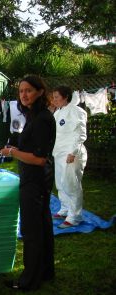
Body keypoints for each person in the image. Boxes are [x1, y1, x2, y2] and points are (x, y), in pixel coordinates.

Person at [0, 75, 56, 291]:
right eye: (21, 91)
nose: (24, 95)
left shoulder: (41, 119)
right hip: (37, 179)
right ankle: (46, 271)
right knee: (43, 226)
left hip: (35, 180)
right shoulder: (35, 116)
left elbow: (39, 158)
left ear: (40, 91)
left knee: (32, 230)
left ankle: (29, 281)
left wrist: (13, 152)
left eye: (29, 90)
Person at [51, 86, 87, 228]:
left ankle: (75, 216)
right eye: (53, 98)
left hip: (71, 154)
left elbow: (80, 134)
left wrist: (73, 152)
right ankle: (65, 208)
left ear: (66, 97)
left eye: (57, 97)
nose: (54, 100)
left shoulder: (77, 111)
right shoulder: (58, 112)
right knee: (60, 183)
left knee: (71, 184)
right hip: (59, 153)